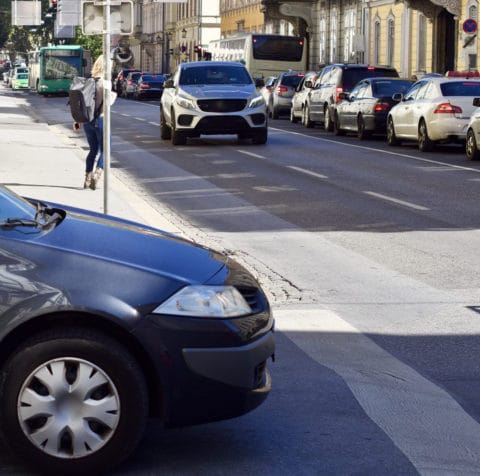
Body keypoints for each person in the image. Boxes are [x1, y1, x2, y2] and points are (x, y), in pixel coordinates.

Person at [74, 56, 116, 190]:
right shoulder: (106, 84)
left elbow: (82, 103)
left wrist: (78, 121)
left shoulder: (88, 82)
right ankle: (98, 173)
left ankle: (87, 178)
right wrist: (114, 96)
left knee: (93, 150)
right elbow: (108, 103)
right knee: (106, 149)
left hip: (88, 121)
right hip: (101, 120)